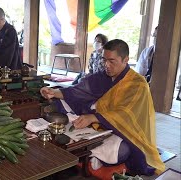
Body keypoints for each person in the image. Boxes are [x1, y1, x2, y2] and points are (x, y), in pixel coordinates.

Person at [40, 39, 165, 176]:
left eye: (112, 61)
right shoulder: (102, 76)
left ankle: (89, 153)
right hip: (96, 124)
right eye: (104, 60)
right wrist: (54, 92)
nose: (107, 65)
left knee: (123, 150)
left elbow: (125, 114)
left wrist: (94, 117)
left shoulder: (138, 83)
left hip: (123, 131)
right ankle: (89, 152)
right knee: (60, 101)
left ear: (126, 59)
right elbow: (77, 91)